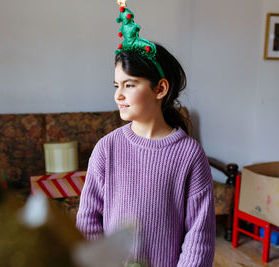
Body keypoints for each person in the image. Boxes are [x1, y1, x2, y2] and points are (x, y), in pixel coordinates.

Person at [76, 5, 215, 267]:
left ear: (160, 88)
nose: (119, 95)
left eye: (129, 85)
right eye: (116, 85)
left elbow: (199, 236)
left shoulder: (189, 154)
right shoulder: (107, 148)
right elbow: (88, 220)